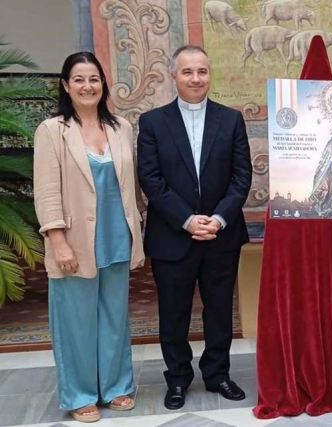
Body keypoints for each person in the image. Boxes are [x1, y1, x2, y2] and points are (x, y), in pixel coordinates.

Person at [137, 45, 252, 410]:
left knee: (219, 309)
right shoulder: (153, 122)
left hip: (221, 234)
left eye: (202, 71)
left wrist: (217, 219)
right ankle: (178, 379)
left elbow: (242, 176)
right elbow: (150, 179)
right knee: (174, 313)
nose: (195, 78)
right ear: (174, 76)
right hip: (172, 234)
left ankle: (217, 374)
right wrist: (187, 220)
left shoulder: (231, 119)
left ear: (209, 75)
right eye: (187, 72)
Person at [33, 52, 145, 423]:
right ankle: (80, 393)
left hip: (117, 238)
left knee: (114, 319)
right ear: (66, 85)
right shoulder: (52, 130)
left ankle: (115, 387)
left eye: (94, 78)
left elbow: (131, 188)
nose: (87, 86)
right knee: (75, 322)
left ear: (103, 84)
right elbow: (47, 191)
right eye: (79, 79)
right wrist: (58, 240)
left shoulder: (121, 128)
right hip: (75, 244)